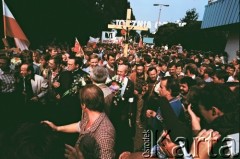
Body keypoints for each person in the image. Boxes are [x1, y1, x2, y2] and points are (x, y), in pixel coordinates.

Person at [42, 84, 115, 159]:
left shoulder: (105, 134)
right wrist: (57, 128)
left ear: (83, 105)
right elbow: (79, 126)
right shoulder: (90, 115)